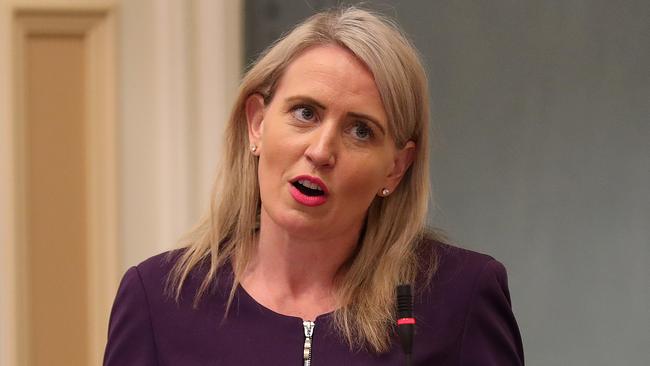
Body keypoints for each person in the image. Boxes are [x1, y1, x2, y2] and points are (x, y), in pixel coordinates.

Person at [104, 6, 524, 366]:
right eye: (305, 112)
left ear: (396, 168)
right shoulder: (158, 300)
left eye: (361, 131)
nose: (322, 150)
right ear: (257, 123)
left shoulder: (460, 296)